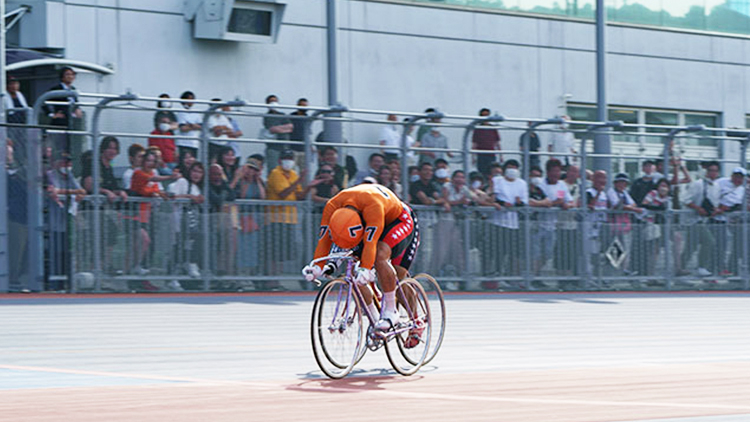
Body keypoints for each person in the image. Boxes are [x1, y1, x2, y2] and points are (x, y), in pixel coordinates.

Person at [303, 183, 423, 346]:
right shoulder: (331, 206)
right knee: (353, 270)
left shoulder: (373, 206)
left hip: (399, 220)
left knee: (382, 259)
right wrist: (318, 266)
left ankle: (402, 315)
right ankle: (375, 322)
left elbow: (371, 242)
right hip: (366, 221)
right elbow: (324, 240)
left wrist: (366, 269)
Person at [266, 150, 323, 282]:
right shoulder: (276, 173)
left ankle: (276, 280)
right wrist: (299, 180)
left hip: (290, 219)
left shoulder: (293, 174)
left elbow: (298, 196)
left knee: (282, 253)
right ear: (280, 160)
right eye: (286, 158)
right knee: (274, 252)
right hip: (276, 218)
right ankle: (270, 280)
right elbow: (283, 194)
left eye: (291, 158)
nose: (289, 161)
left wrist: (308, 186)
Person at [45, 151, 87, 290]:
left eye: (69, 162)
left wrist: (75, 193)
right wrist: (73, 193)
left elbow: (81, 191)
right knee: (55, 255)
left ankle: (65, 284)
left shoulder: (69, 175)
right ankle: (53, 285)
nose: (67, 165)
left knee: (66, 254)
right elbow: (54, 191)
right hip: (53, 222)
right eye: (64, 162)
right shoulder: (51, 174)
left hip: (66, 223)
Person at [167, 161, 205, 286]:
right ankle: (171, 277)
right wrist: (190, 197)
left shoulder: (197, 188)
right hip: (178, 219)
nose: (197, 175)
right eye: (194, 171)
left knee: (192, 242)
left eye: (200, 172)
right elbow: (171, 196)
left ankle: (188, 265)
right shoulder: (183, 182)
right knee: (177, 247)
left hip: (192, 221)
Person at [682, 161, 721, 276]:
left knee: (690, 246)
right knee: (709, 241)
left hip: (704, 220)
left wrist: (714, 210)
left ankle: (680, 268)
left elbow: (714, 202)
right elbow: (685, 200)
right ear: (706, 171)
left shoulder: (717, 186)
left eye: (715, 171)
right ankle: (701, 266)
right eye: (710, 170)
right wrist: (698, 208)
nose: (713, 173)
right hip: (693, 220)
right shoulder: (697, 184)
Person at [536, 159, 573, 278]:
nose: (556, 174)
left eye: (558, 171)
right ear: (548, 172)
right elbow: (542, 202)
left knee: (547, 254)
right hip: (537, 225)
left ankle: (536, 275)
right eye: (554, 171)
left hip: (552, 226)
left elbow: (569, 201)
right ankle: (532, 277)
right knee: (535, 254)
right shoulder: (540, 184)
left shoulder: (562, 185)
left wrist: (566, 205)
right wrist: (553, 203)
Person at [492, 159, 528, 279]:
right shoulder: (497, 180)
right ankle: (495, 275)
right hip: (498, 222)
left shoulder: (522, 183)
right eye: (510, 167)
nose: (512, 170)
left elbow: (524, 202)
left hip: (513, 223)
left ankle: (509, 276)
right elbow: (493, 198)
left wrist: (518, 203)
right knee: (497, 252)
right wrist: (503, 203)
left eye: (515, 167)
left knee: (512, 252)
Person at [237, 157, 266, 277]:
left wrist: (258, 180)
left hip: (254, 219)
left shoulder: (258, 182)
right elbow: (242, 195)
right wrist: (247, 180)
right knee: (242, 247)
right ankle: (241, 273)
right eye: (249, 168)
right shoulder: (242, 181)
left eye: (254, 169)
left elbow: (263, 197)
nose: (251, 172)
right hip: (242, 217)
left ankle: (250, 273)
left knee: (252, 248)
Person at [262, 94, 294, 172]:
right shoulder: (267, 116)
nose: (274, 103)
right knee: (273, 170)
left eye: (275, 101)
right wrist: (284, 128)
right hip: (273, 148)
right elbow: (273, 129)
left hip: (285, 147)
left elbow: (291, 127)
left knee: (287, 170)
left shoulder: (283, 115)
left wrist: (280, 128)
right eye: (272, 101)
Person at [472, 108, 501, 177]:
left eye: (487, 115)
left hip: (491, 154)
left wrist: (501, 155)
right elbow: (474, 144)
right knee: (481, 172)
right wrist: (473, 157)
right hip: (481, 154)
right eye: (483, 115)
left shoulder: (493, 128)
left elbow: (497, 142)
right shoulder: (477, 128)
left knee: (491, 172)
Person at [176, 90, 202, 157]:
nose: (191, 101)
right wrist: (194, 126)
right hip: (183, 143)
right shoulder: (181, 112)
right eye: (189, 99)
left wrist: (190, 125)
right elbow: (183, 128)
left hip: (194, 143)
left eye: (192, 99)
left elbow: (201, 127)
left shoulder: (196, 113)